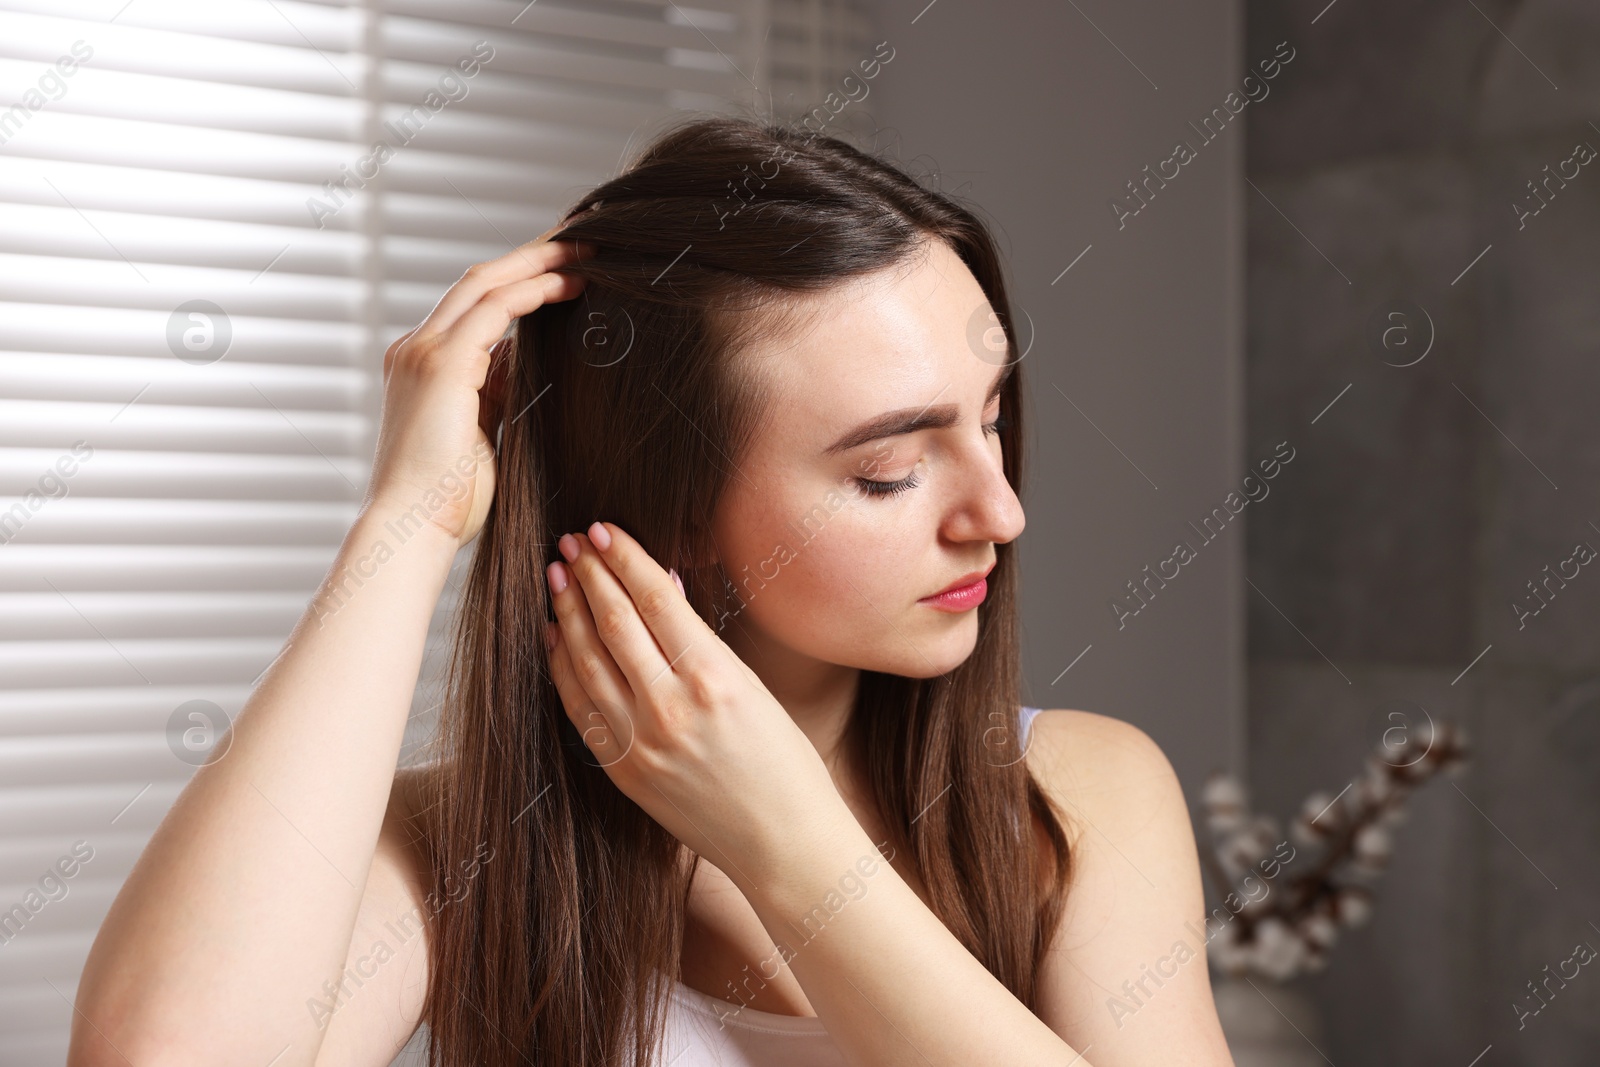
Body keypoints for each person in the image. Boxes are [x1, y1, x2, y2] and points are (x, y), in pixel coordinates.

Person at [69, 116, 1235, 1067]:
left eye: (989, 421)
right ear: (675, 509)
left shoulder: (1075, 797)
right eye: (889, 470)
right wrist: (409, 524)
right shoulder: (460, 854)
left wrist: (781, 840)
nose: (1001, 511)